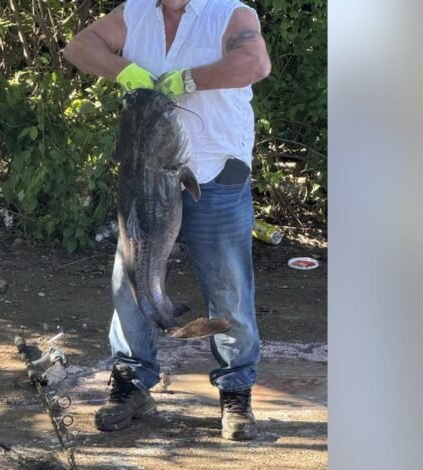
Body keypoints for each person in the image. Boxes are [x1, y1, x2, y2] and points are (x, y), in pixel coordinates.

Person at [63, 0, 271, 441]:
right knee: (131, 283)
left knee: (229, 288)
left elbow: (255, 63)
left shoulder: (230, 14)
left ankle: (236, 391)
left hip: (216, 171)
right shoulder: (135, 13)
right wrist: (123, 70)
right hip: (143, 174)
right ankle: (131, 383)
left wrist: (190, 78)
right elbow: (78, 47)